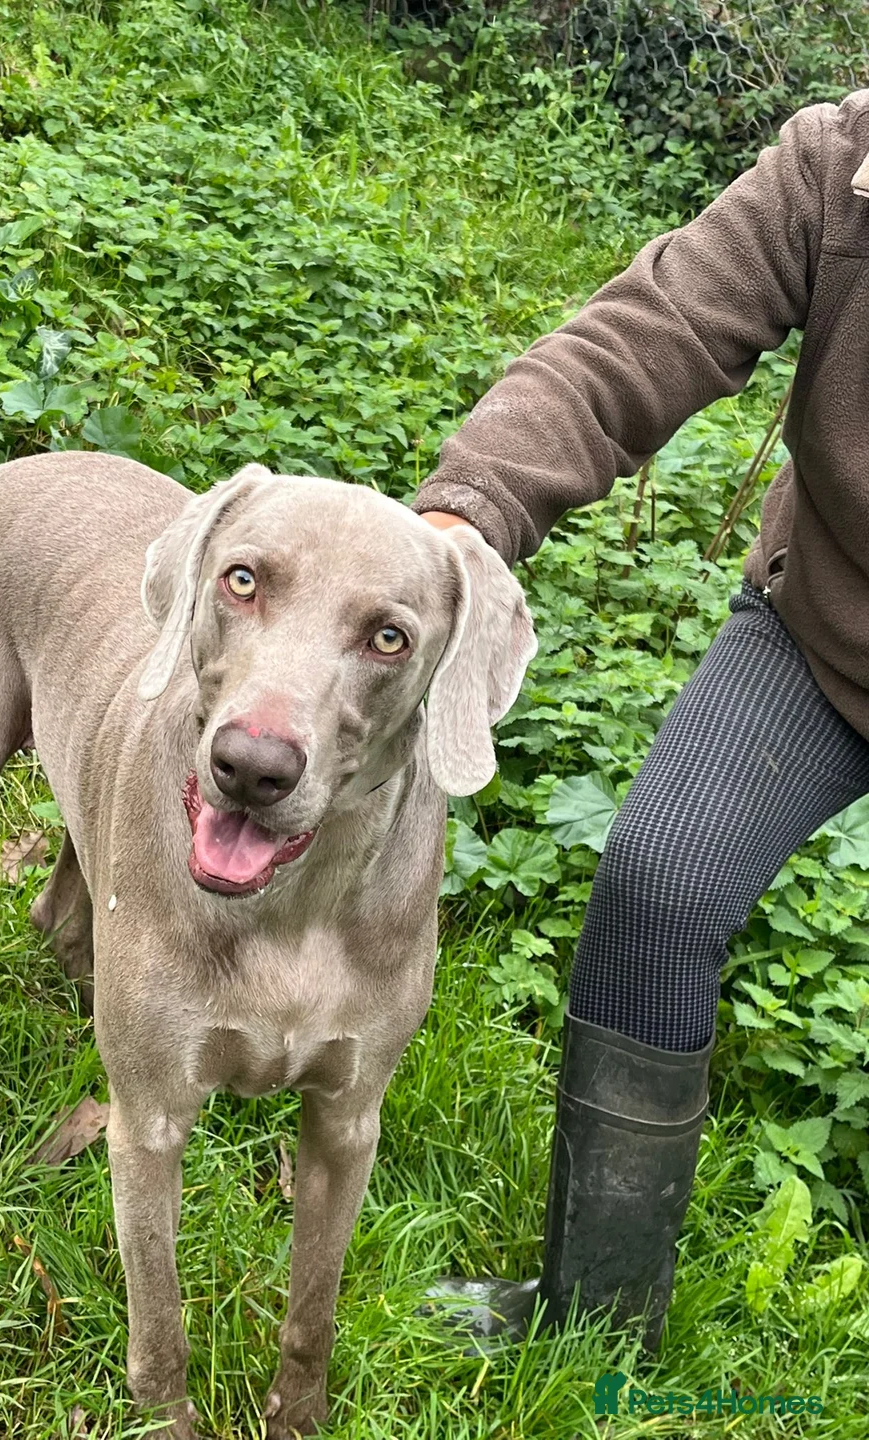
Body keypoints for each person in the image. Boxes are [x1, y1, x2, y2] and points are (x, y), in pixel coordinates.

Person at [412, 89, 869, 1348]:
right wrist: (461, 521)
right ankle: (597, 1325)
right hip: (829, 628)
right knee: (659, 887)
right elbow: (641, 335)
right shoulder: (843, 169)